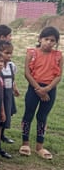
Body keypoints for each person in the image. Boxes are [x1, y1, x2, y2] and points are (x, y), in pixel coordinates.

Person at [19, 26, 62, 160]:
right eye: (46, 39)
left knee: (42, 117)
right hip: (34, 88)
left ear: (56, 42)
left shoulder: (58, 56)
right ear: (40, 39)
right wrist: (38, 89)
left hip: (50, 89)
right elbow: (27, 73)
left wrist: (47, 89)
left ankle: (39, 146)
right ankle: (25, 143)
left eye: (52, 40)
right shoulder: (31, 53)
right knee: (28, 114)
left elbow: (59, 75)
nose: (49, 42)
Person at [0, 40, 20, 159]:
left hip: (8, 96)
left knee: (4, 121)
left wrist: (15, 88)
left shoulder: (11, 66)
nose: (9, 55)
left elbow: (12, 79)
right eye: (6, 53)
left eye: (10, 53)